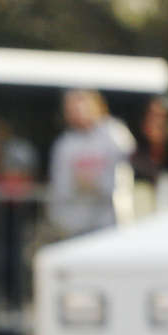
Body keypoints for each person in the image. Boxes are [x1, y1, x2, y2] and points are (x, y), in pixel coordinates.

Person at [47, 89, 135, 240]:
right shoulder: (65, 144)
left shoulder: (114, 133)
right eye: (71, 108)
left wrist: (97, 184)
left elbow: (124, 172)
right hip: (74, 225)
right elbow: (60, 186)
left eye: (81, 105)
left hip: (107, 223)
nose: (77, 112)